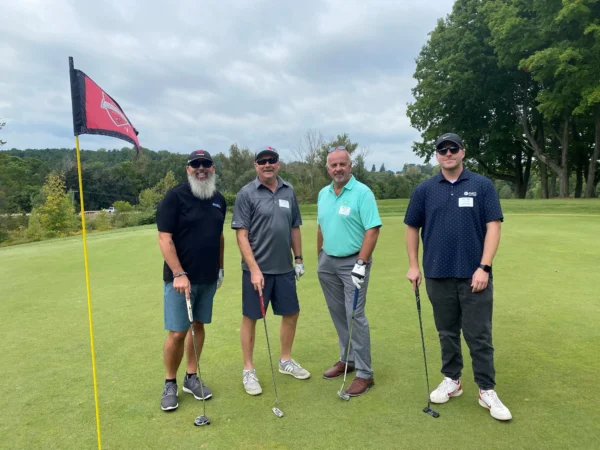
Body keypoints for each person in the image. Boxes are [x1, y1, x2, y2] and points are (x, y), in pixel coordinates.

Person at [404, 133, 512, 421]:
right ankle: (452, 379)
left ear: (463, 152)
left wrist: (484, 267)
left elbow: (493, 226)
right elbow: (412, 227)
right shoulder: (425, 189)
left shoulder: (482, 185)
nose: (448, 153)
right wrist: (414, 265)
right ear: (437, 155)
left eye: (453, 148)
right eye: (442, 149)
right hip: (437, 274)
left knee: (479, 334)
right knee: (447, 332)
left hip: (474, 274)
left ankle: (486, 389)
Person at [231, 146, 310, 396]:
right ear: (255, 165)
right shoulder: (246, 193)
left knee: (292, 313)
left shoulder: (289, 190)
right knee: (251, 318)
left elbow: (295, 226)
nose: (267, 164)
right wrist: (254, 269)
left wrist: (298, 258)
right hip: (257, 271)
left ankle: (285, 360)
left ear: (278, 164)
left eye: (272, 160)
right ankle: (248, 369)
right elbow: (241, 236)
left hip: (284, 268)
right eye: (262, 161)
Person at [156, 149, 226, 411]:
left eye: (206, 164)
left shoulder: (218, 199)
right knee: (177, 332)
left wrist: (220, 268)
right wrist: (178, 272)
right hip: (179, 279)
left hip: (208, 277)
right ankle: (170, 382)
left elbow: (219, 237)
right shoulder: (175, 196)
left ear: (213, 168)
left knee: (198, 326)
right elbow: (165, 238)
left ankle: (191, 377)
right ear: (188, 169)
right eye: (195, 164)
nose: (201, 168)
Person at [317, 146, 382, 397]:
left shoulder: (362, 193)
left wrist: (361, 263)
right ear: (328, 168)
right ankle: (348, 359)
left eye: (342, 164)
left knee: (354, 315)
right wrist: (320, 255)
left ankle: (365, 373)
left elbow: (372, 229)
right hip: (328, 262)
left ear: (350, 166)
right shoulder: (324, 194)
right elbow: (322, 226)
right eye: (333, 165)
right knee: (338, 314)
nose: (338, 169)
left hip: (353, 263)